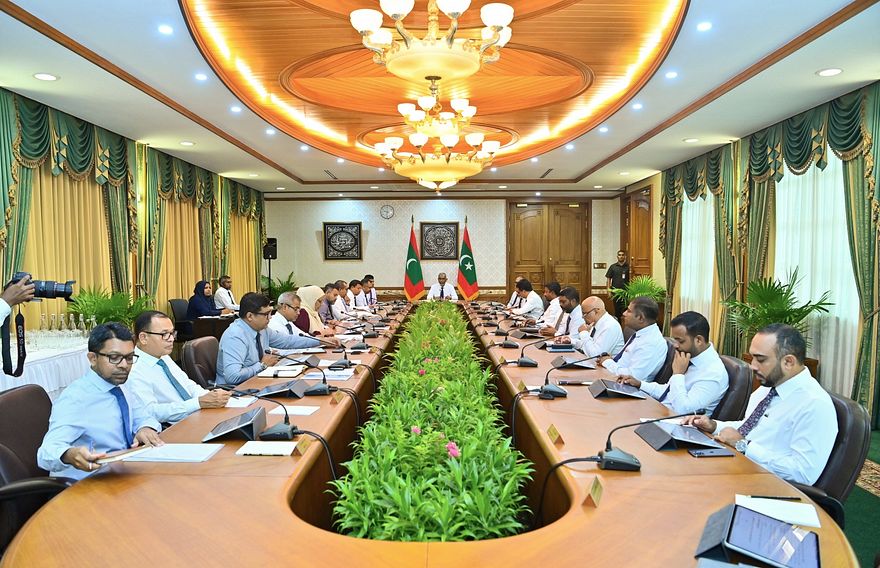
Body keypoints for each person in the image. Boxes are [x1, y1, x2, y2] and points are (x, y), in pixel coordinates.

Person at [682, 324, 836, 485]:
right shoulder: (769, 387)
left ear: (789, 362)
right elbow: (750, 427)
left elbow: (803, 474)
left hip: (768, 485)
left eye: (760, 359)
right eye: (752, 358)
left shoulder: (815, 404)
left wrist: (744, 446)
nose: (752, 366)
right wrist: (714, 426)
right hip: (739, 468)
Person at [37, 323, 164, 480]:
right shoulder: (76, 398)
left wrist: (145, 427)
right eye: (114, 358)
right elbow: (46, 452)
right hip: (87, 482)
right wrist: (69, 454)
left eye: (129, 358)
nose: (124, 365)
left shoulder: (119, 383)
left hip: (123, 473)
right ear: (93, 358)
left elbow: (141, 415)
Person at [128, 310, 231, 424]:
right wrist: (198, 403)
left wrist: (211, 397)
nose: (172, 339)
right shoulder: (134, 369)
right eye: (164, 334)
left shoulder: (163, 356)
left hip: (198, 415)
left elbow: (187, 384)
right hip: (176, 426)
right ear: (143, 338)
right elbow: (151, 412)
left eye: (172, 333)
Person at [618, 311, 727, 415]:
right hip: (659, 412)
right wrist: (640, 384)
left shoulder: (713, 373)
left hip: (676, 423)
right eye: (674, 340)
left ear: (698, 340)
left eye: (680, 341)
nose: (675, 345)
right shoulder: (689, 358)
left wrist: (678, 374)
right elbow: (668, 391)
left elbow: (683, 410)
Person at [216, 292, 323, 386]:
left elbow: (287, 341)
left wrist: (320, 341)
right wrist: (262, 365)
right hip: (235, 391)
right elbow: (233, 377)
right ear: (250, 316)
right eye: (266, 314)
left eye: (270, 313)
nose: (270, 317)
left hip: (258, 381)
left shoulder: (262, 329)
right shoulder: (235, 336)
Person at [598, 296, 667, 382]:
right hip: (615, 378)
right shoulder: (640, 333)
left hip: (627, 387)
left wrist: (607, 362)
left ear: (640, 318)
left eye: (628, 311)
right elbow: (625, 363)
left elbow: (632, 377)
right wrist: (610, 359)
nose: (624, 313)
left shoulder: (651, 343)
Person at [605, 250, 630, 320]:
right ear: (617, 256)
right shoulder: (613, 267)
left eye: (622, 255)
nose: (621, 256)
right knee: (617, 310)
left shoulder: (629, 267)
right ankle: (618, 324)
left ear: (625, 256)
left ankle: (625, 325)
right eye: (619, 255)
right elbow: (608, 278)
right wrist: (608, 291)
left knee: (626, 310)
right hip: (615, 293)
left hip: (626, 293)